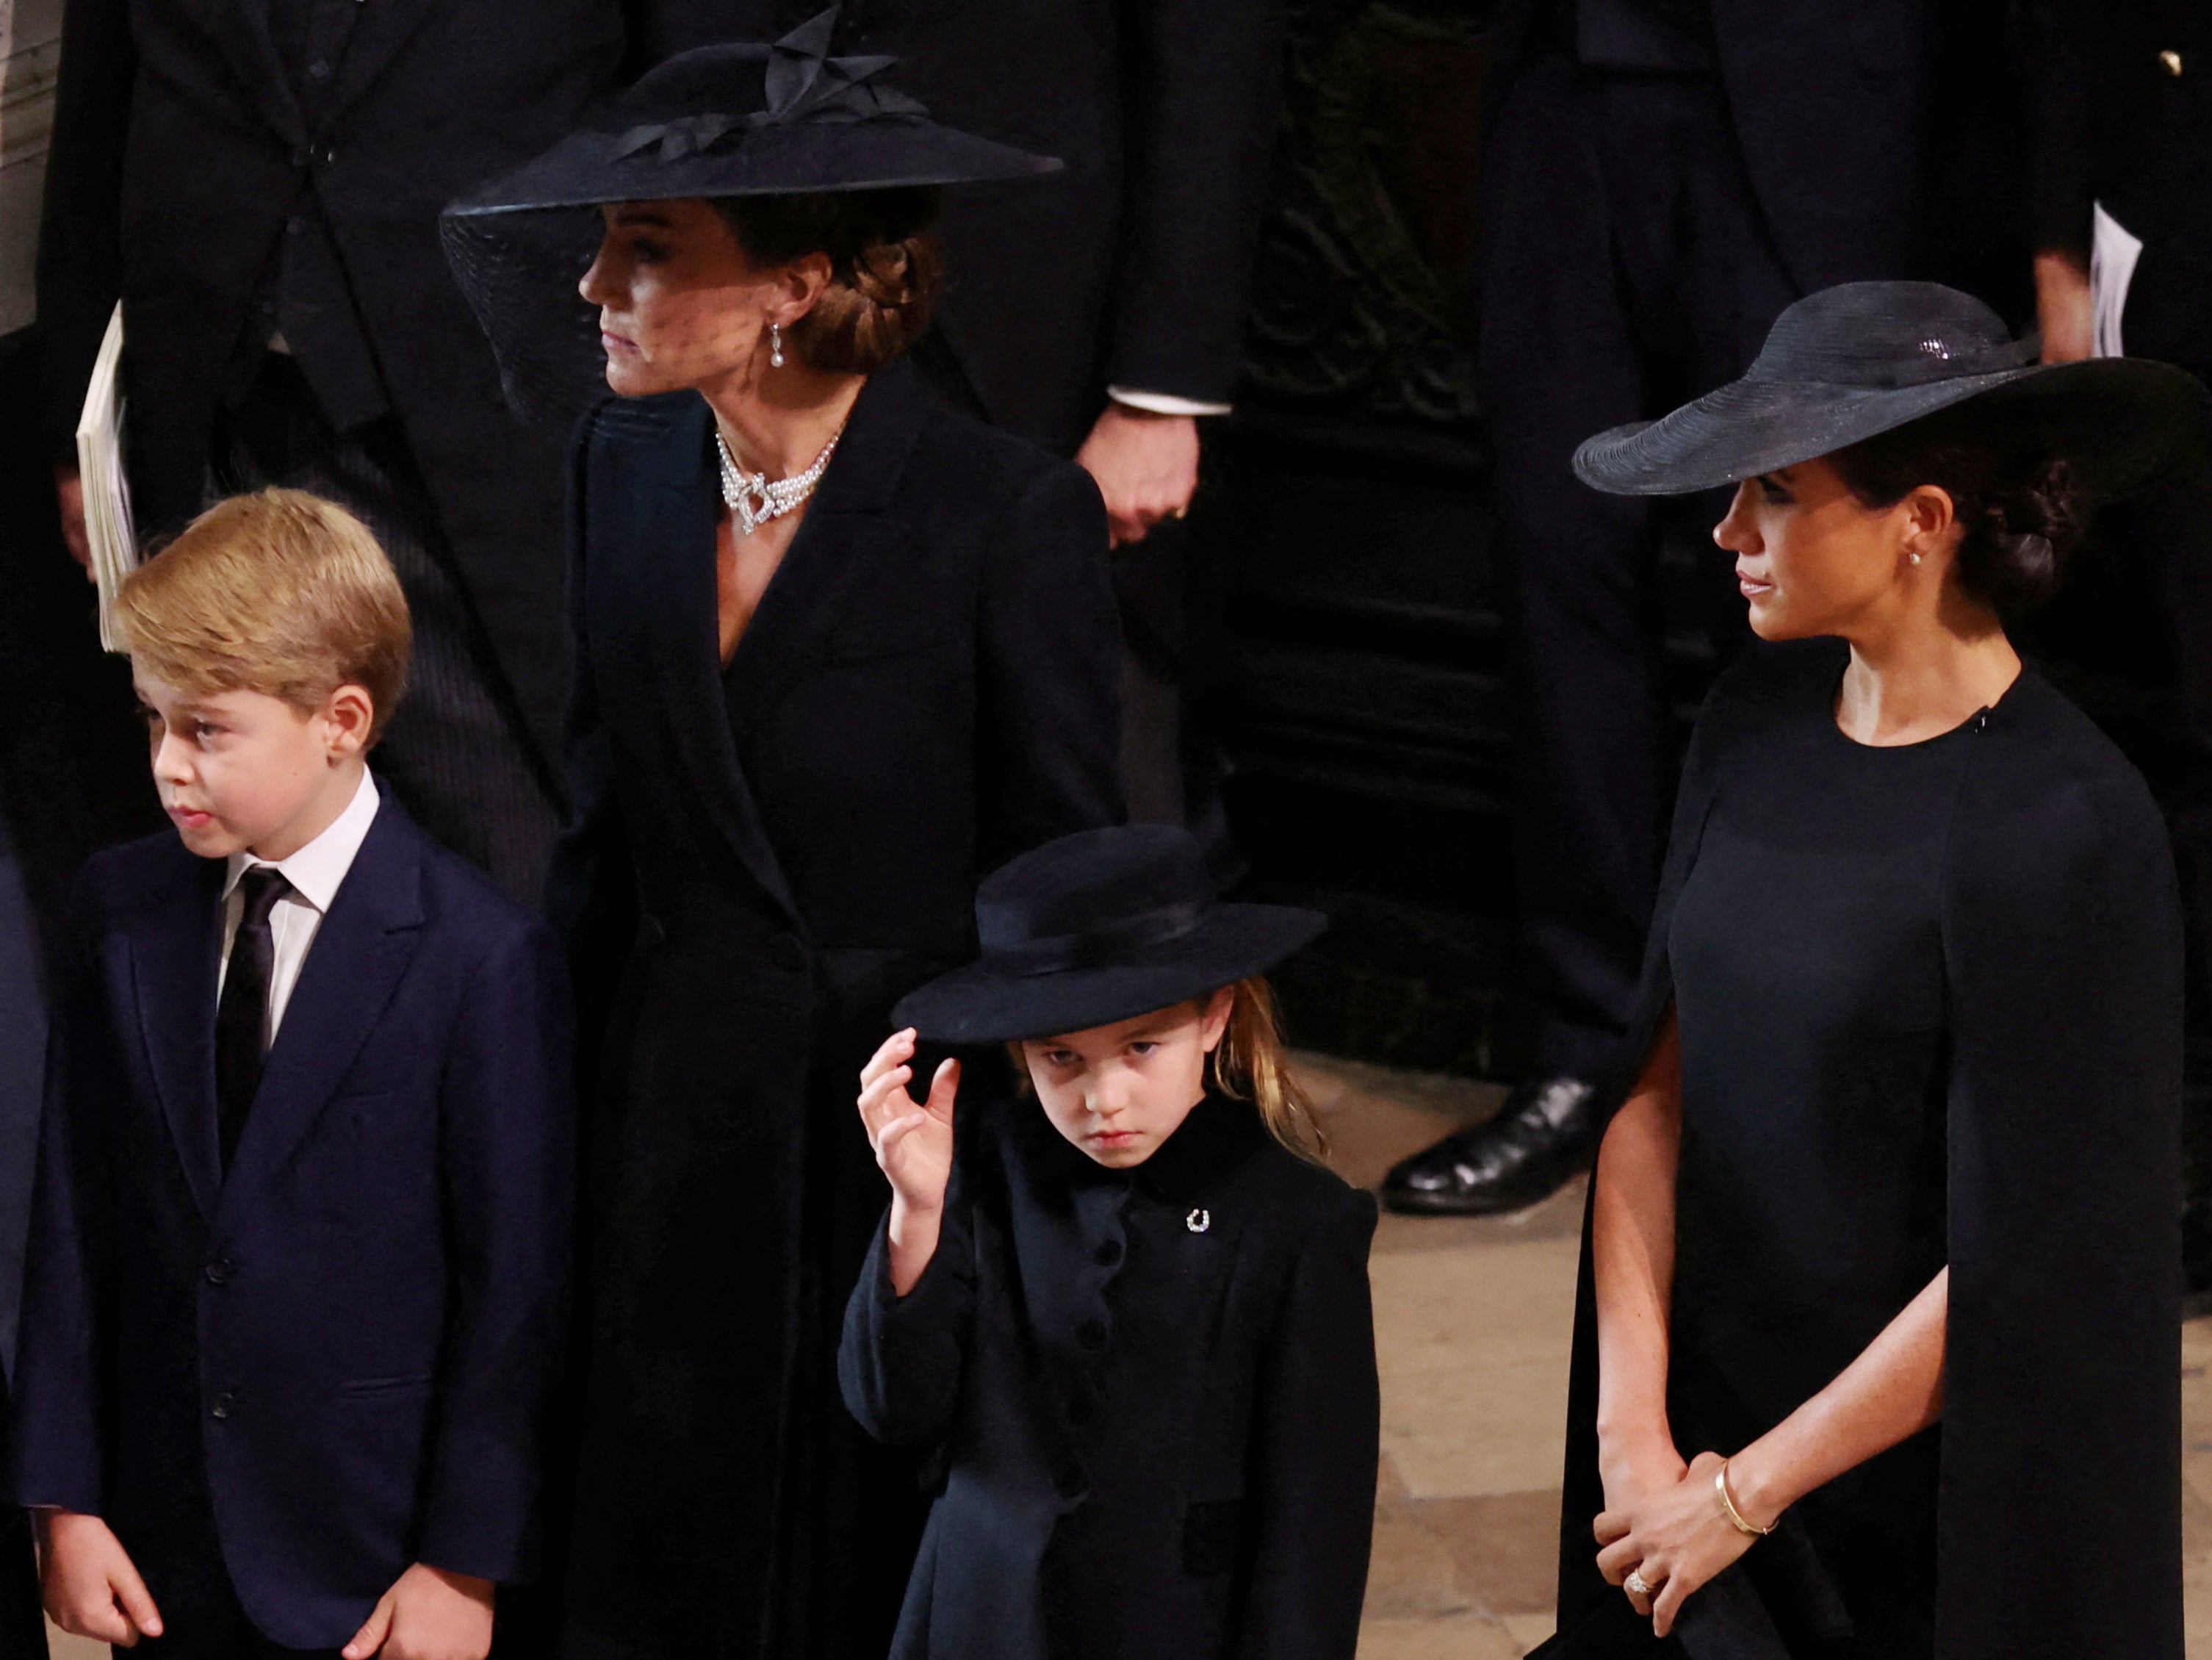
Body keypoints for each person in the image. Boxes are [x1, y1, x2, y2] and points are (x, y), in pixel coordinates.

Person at [441, 23, 1125, 1657]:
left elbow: (1057, 882)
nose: (593, 284)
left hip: (881, 1138)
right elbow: (604, 821)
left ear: (793, 285)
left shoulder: (997, 516)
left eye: (647, 247)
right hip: (664, 1121)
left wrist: (984, 1193)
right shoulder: (620, 464)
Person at [1528, 281, 2205, 1658]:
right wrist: (1631, 1434)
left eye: (1775, 493)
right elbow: (1649, 1097)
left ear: (1922, 523)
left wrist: (1745, 1492)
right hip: (1691, 1468)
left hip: (1925, 1520)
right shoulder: (1747, 719)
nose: (1729, 533)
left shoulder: (2064, 827)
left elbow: (2030, 1263)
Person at [1385, 0, 1951, 1215]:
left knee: (1805, 583)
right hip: (1565, 87)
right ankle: (1588, 1048)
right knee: (1557, 576)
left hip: (1819, 96)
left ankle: (1805, 1064)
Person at [7, 490, 574, 1659]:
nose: (168, 765)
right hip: (168, 1548)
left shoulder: (480, 956)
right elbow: (73, 1220)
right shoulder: (120, 913)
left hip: (375, 1562)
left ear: (343, 719)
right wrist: (63, 1498)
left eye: (205, 729)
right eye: (151, 721)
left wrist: (463, 1562)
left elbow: (514, 1289)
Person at [34, 0, 646, 899]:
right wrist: (72, 436)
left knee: (512, 841)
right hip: (213, 399)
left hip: (500, 402)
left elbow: (700, 78)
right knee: (265, 861)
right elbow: (96, 112)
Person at [641, 0, 1286, 829]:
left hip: (1046, 335)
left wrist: (1159, 393)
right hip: (742, 275)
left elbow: (1214, 43)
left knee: (1090, 836)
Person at [840, 822, 1377, 1660]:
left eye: (1140, 1047)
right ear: (1021, 1050)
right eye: (1063, 1058)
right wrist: (917, 1211)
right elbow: (892, 1408)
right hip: (975, 1622)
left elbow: (1314, 1528)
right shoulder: (980, 1170)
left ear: (1215, 1018)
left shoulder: (1299, 1223)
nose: (1104, 1099)